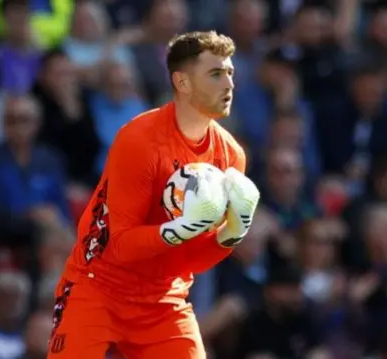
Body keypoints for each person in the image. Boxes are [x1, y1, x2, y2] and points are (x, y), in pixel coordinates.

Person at [47, 31, 261, 359]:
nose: (229, 85)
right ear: (183, 83)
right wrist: (179, 229)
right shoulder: (139, 139)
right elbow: (118, 244)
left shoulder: (230, 156)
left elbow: (190, 259)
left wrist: (231, 235)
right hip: (96, 285)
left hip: (163, 298)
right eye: (216, 75)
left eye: (230, 73)